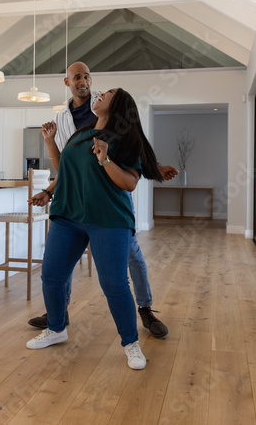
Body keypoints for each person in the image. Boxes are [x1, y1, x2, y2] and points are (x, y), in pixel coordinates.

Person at [28, 62, 178, 338]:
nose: (83, 82)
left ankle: (144, 308)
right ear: (67, 82)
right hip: (74, 205)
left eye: (86, 77)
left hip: (109, 204)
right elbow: (71, 165)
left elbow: (131, 147)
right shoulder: (63, 118)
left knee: (130, 256)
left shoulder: (108, 105)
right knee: (61, 264)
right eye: (77, 77)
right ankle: (59, 313)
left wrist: (153, 168)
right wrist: (50, 191)